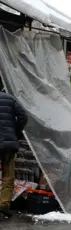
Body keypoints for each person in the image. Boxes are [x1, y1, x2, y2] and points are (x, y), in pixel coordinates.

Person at [0, 85, 28, 218]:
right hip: (8, 143)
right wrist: (15, 132)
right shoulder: (10, 99)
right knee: (8, 174)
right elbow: (23, 116)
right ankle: (4, 204)